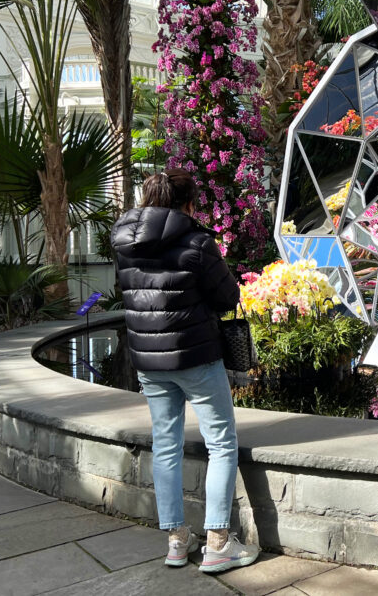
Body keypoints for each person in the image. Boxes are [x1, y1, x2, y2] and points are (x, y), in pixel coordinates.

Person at [111, 168, 259, 573]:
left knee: (166, 444)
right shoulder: (197, 242)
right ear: (188, 203)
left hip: (149, 361)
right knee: (222, 444)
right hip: (196, 356)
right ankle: (217, 542)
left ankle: (176, 542)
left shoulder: (125, 243)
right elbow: (228, 297)